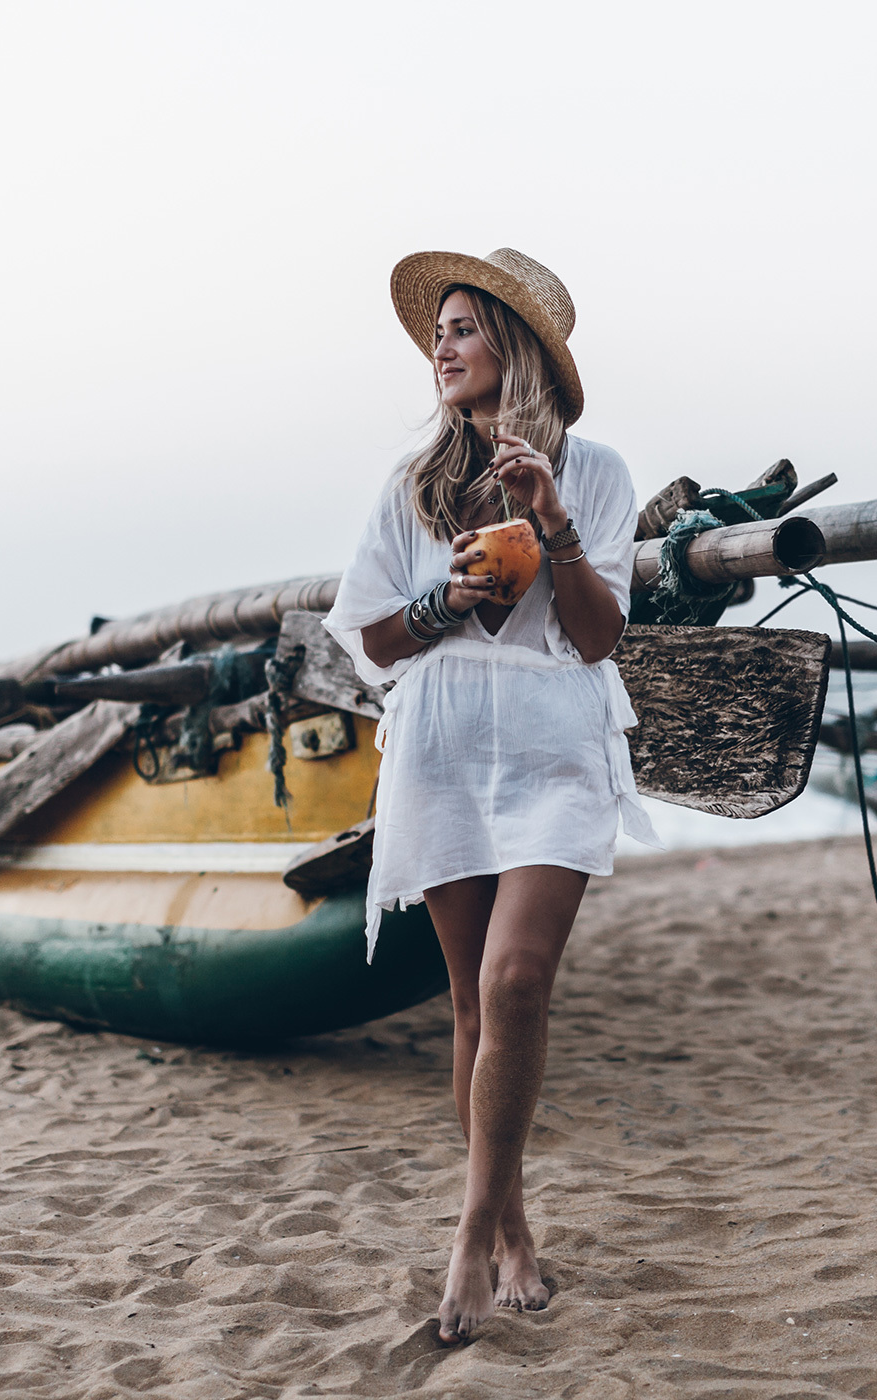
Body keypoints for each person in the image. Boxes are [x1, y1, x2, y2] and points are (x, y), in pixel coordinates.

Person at [325, 248, 660, 1343]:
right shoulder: (414, 484)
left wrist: (551, 520)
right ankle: (514, 1230)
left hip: (556, 737)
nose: (442, 347)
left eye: (463, 328)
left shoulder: (595, 471)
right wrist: (446, 601)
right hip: (445, 739)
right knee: (470, 1003)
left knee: (517, 981)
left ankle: (469, 1233)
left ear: (514, 347)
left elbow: (599, 636)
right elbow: (374, 639)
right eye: (439, 332)